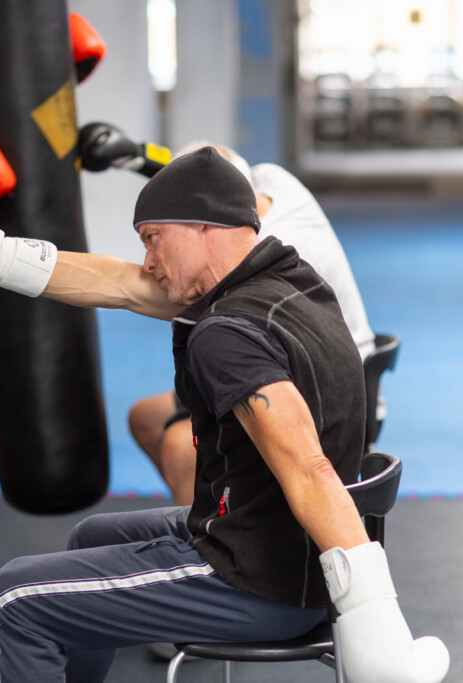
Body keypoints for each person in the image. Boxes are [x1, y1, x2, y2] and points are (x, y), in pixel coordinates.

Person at [0, 147, 449, 683]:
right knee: (92, 538)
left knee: (13, 598)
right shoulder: (290, 281)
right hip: (287, 553)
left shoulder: (228, 335)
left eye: (152, 239)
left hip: (257, 581)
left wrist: (372, 612)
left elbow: (309, 470)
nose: (147, 261)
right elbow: (122, 285)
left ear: (202, 226)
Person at [127, 142, 377, 504]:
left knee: (181, 448)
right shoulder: (274, 180)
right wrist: (140, 156)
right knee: (145, 417)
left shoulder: (272, 252)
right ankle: (216, 504)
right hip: (302, 355)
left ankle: (211, 532)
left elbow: (312, 473)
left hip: (324, 383)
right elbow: (213, 171)